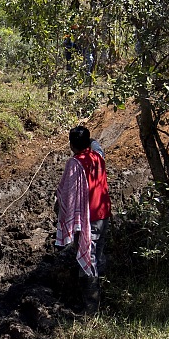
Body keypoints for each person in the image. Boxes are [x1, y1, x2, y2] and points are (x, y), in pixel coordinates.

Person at [55, 125, 112, 314]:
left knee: (88, 258)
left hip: (87, 219)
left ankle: (91, 308)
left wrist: (60, 208)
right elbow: (97, 145)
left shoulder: (75, 163)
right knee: (97, 254)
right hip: (103, 214)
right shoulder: (98, 156)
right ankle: (103, 294)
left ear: (72, 145)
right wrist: (88, 140)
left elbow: (68, 194)